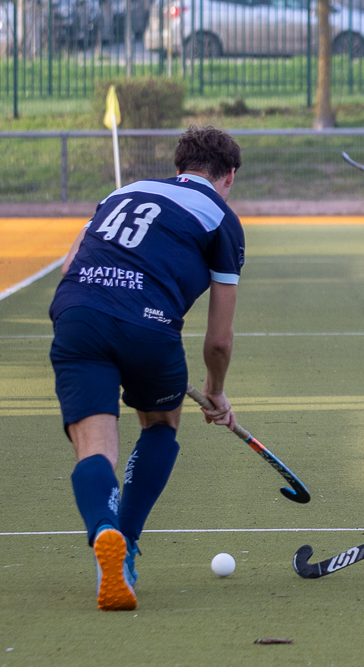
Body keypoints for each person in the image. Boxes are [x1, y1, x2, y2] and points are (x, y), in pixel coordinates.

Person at [49, 126, 246, 611]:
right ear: (230, 177)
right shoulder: (223, 219)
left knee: (93, 446)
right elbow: (218, 339)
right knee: (160, 425)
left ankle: (104, 532)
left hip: (78, 314)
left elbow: (68, 263)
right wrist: (215, 392)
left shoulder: (126, 190)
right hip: (150, 329)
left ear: (179, 166)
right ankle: (127, 545)